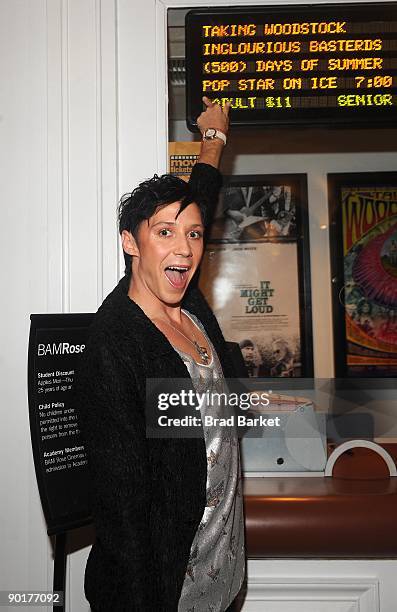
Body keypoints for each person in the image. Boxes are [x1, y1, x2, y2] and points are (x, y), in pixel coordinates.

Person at [76, 97, 245, 612]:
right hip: (167, 590)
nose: (186, 248)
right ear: (130, 242)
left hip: (226, 574)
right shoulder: (115, 345)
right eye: (164, 233)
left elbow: (201, 201)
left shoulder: (190, 305)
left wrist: (212, 141)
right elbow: (123, 512)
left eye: (193, 235)